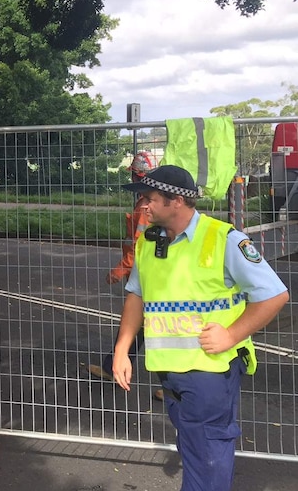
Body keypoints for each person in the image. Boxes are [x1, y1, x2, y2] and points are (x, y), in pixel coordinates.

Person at [113, 165, 288, 491]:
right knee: (195, 450)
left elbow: (274, 295)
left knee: (206, 461)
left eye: (149, 198)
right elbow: (136, 295)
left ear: (176, 201)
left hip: (209, 375)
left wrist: (232, 334)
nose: (143, 206)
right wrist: (122, 349)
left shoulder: (224, 239)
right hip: (170, 374)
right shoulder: (149, 242)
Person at [88, 151, 157, 396]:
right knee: (143, 326)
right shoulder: (147, 202)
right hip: (146, 274)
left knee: (156, 326)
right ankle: (112, 366)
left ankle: (178, 387)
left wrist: (120, 269)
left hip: (146, 276)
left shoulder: (145, 206)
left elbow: (139, 244)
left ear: (140, 176)